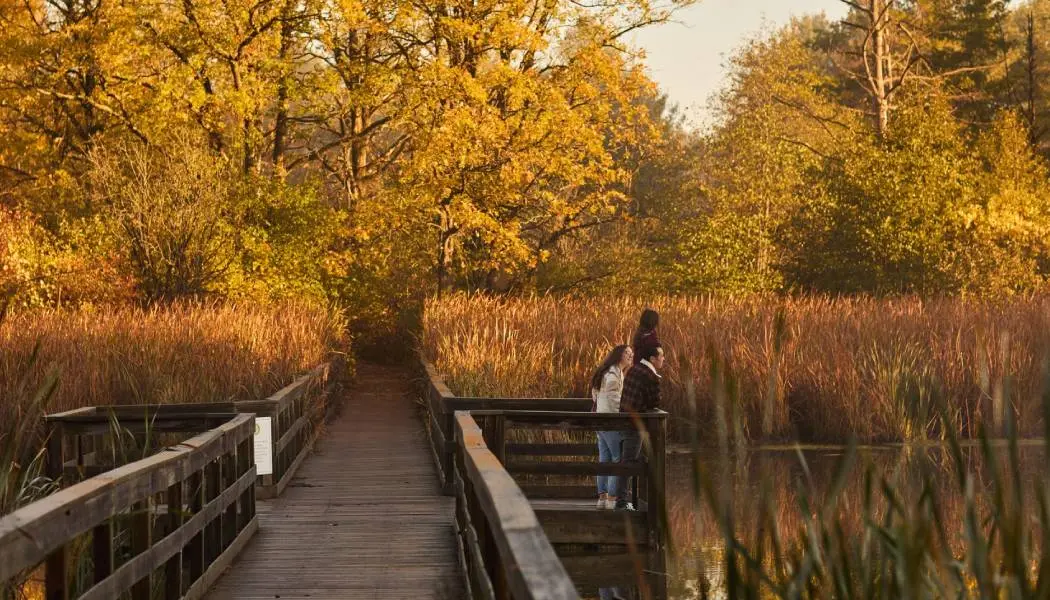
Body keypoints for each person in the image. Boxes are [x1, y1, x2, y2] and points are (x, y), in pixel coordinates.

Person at [612, 344, 665, 511]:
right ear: (652, 359)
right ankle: (621, 502)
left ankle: (624, 499)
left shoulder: (635, 369)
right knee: (628, 463)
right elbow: (654, 402)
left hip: (624, 421)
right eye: (661, 356)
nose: (663, 359)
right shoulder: (650, 376)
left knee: (626, 460)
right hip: (636, 425)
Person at [590, 344, 633, 510]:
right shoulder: (614, 375)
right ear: (619, 356)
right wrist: (623, 416)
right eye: (627, 353)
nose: (630, 355)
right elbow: (615, 401)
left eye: (631, 353)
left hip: (600, 421)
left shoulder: (607, 371)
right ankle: (612, 499)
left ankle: (602, 498)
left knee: (604, 459)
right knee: (617, 459)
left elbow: (595, 395)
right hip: (610, 422)